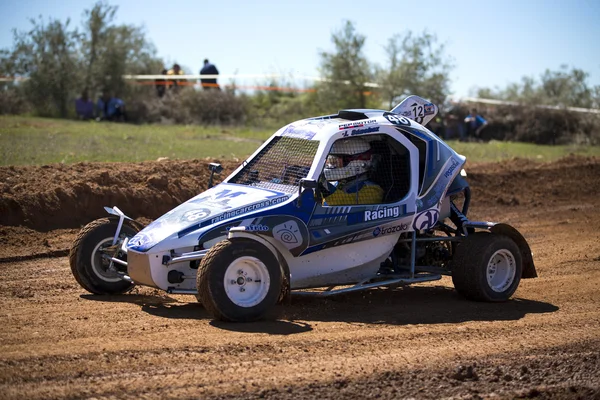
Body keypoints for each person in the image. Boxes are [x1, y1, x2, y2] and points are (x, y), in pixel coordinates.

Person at [322, 138, 383, 206]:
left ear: (357, 162)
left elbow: (347, 204)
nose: (330, 165)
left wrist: (327, 190)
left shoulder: (373, 191)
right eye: (330, 161)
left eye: (335, 161)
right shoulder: (338, 184)